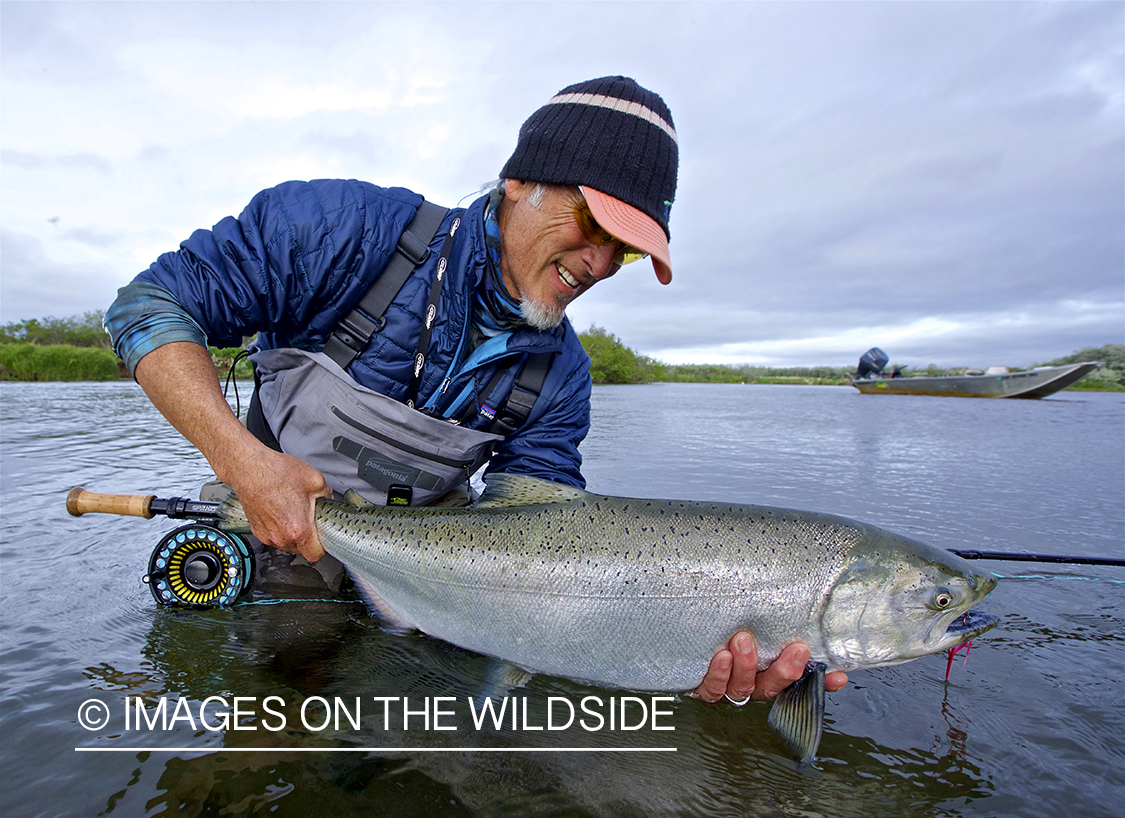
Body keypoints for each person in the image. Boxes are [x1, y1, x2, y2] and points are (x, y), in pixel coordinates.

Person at [106, 75, 847, 705]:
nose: (596, 262)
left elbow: (542, 528)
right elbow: (147, 308)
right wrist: (239, 460)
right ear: (518, 180)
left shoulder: (561, 377)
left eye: (622, 248)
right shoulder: (339, 229)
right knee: (282, 686)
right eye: (592, 221)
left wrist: (667, 645)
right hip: (269, 525)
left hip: (439, 565)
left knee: (451, 721)